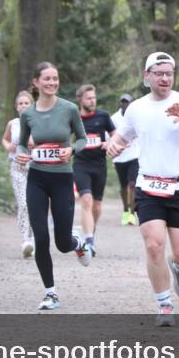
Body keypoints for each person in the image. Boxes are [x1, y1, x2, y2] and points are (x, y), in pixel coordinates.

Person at [107, 52, 179, 327]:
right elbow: (122, 135)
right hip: (148, 185)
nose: (164, 77)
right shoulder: (136, 108)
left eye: (169, 72)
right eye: (158, 72)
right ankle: (164, 304)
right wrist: (114, 144)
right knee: (154, 244)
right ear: (146, 76)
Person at [16, 62, 90, 311]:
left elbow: (82, 138)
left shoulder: (68, 109)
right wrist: (22, 154)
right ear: (36, 82)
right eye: (46, 79)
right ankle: (51, 293)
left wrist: (71, 149)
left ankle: (77, 242)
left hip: (61, 179)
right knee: (41, 237)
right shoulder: (28, 114)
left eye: (55, 79)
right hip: (36, 179)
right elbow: (21, 145)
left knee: (61, 243)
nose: (51, 83)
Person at [73, 84, 116, 258]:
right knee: (86, 201)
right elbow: (63, 137)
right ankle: (89, 241)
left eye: (94, 97)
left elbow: (116, 135)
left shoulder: (103, 116)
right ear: (80, 100)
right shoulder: (74, 118)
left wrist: (110, 143)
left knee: (97, 206)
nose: (92, 100)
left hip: (99, 166)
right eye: (89, 98)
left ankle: (91, 230)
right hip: (81, 165)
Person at [2, 91, 35, 259]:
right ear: (16, 107)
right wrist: (8, 146)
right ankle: (26, 240)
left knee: (35, 204)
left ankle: (35, 237)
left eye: (26, 103)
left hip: (36, 168)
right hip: (18, 167)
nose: (23, 106)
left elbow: (47, 141)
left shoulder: (38, 122)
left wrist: (33, 143)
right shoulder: (12, 124)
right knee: (23, 204)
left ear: (32, 105)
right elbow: (5, 139)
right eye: (20, 103)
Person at [110, 93, 140, 226]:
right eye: (122, 102)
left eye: (127, 102)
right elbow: (109, 139)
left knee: (132, 184)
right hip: (120, 157)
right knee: (123, 187)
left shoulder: (137, 117)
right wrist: (112, 157)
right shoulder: (114, 119)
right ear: (119, 103)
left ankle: (132, 213)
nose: (125, 104)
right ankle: (125, 210)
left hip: (134, 156)